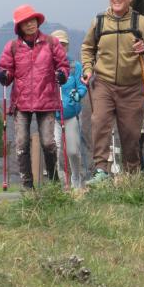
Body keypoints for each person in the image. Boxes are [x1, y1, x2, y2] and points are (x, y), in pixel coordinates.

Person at [81, 0, 144, 181]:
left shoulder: (140, 22)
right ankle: (101, 170)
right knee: (99, 122)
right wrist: (88, 69)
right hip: (104, 83)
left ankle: (131, 175)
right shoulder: (98, 22)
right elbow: (87, 48)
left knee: (130, 135)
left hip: (133, 87)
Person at [0, 5, 69, 190]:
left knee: (47, 142)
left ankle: (53, 182)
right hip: (21, 102)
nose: (30, 24)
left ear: (38, 21)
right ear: (19, 27)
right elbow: (6, 70)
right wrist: (3, 74)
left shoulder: (52, 43)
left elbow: (63, 65)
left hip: (47, 100)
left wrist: (62, 73)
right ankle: (27, 185)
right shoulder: (12, 47)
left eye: (32, 20)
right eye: (25, 22)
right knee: (21, 142)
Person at [50, 29, 90, 189]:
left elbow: (82, 86)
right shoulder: (46, 66)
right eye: (57, 44)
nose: (60, 47)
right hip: (52, 115)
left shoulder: (75, 66)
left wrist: (78, 94)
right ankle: (59, 182)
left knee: (73, 151)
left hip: (71, 113)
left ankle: (76, 177)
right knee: (54, 149)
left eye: (63, 44)